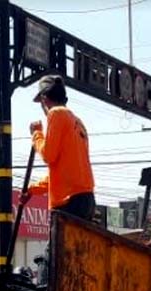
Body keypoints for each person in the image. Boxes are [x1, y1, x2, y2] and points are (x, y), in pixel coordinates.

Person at [21, 75, 96, 222]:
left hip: (68, 202)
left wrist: (37, 134)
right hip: (85, 200)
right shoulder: (78, 123)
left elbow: (48, 155)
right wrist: (33, 189)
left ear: (44, 99)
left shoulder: (56, 114)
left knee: (57, 245)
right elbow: (63, 172)